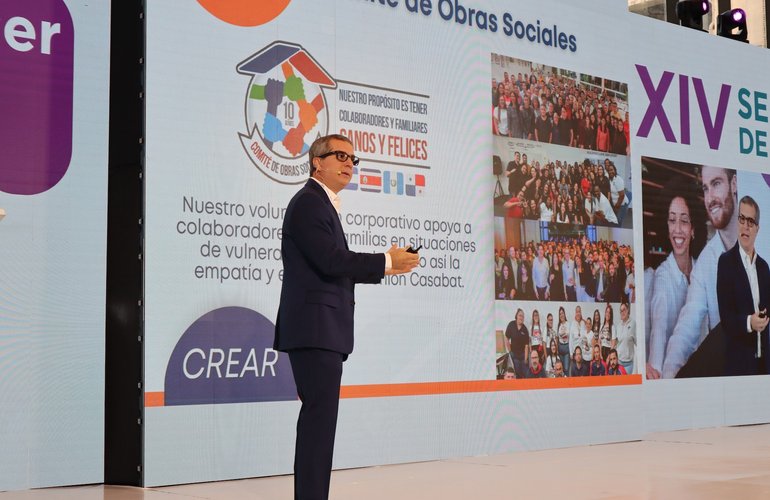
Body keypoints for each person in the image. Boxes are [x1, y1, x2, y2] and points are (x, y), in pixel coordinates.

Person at [274, 134, 420, 500]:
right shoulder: (309, 202)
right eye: (340, 155)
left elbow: (334, 265)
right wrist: (385, 261)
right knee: (318, 427)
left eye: (353, 159)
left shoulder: (322, 204)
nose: (349, 164)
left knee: (320, 427)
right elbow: (331, 261)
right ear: (317, 162)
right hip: (314, 329)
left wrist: (387, 264)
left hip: (322, 330)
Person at [662, 167, 738, 378]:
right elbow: (687, 326)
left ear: (734, 184)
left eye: (716, 184)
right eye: (705, 188)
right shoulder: (706, 262)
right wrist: (668, 378)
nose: (710, 198)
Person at [646, 180, 701, 379]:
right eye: (672, 220)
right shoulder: (662, 277)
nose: (677, 229)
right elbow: (658, 331)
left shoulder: (701, 271)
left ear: (693, 229)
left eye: (684, 221)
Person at [716, 196, 770, 376]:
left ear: (757, 228)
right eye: (742, 219)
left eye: (751, 221)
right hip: (738, 366)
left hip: (764, 364)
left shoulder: (764, 267)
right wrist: (750, 323)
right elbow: (726, 318)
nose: (745, 226)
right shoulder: (726, 262)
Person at [505, 308, 530, 378]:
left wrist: (526, 359)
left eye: (523, 316)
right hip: (514, 356)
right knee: (517, 374)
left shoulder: (525, 329)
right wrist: (510, 351)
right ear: (516, 316)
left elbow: (526, 346)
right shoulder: (511, 324)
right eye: (520, 315)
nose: (521, 317)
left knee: (526, 374)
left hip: (523, 356)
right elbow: (506, 338)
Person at [616, 302, 636, 375]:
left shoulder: (633, 324)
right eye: (621, 311)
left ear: (628, 310)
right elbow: (617, 343)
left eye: (624, 310)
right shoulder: (618, 326)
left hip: (628, 364)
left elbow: (638, 343)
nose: (622, 312)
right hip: (619, 363)